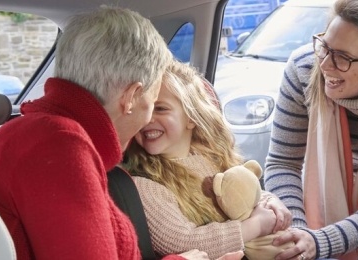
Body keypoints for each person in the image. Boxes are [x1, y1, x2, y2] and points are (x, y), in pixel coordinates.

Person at [0, 7, 195, 260]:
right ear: (131, 97)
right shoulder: (58, 148)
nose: (149, 119)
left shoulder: (35, 135)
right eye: (153, 101)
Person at [263, 0, 358, 259]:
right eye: (324, 47)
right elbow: (283, 163)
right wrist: (298, 234)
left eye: (343, 57)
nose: (325, 64)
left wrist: (321, 241)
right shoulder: (304, 69)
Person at [122, 62, 290, 258]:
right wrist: (255, 226)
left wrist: (270, 202)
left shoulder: (213, 159)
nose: (147, 119)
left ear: (191, 118)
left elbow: (243, 193)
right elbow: (182, 242)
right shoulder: (143, 185)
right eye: (143, 110)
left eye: (160, 109)